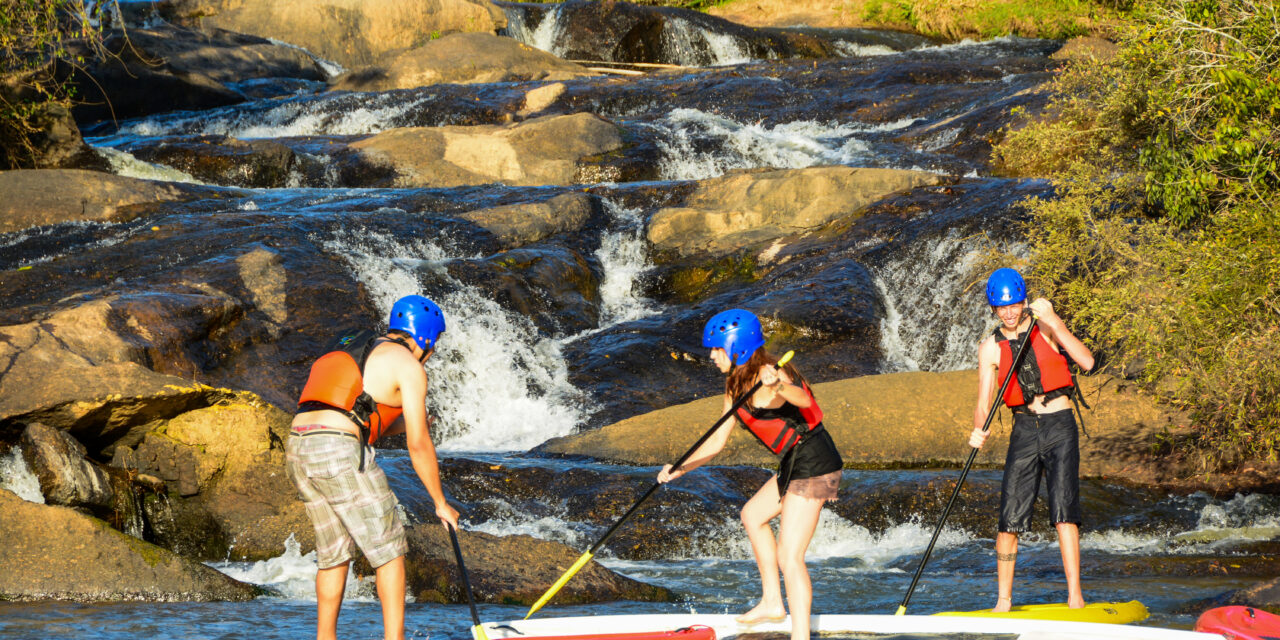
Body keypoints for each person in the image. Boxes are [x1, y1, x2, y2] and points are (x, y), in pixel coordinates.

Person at [657, 309, 843, 640]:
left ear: (737, 346)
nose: (712, 356)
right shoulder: (735, 384)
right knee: (752, 515)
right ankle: (773, 602)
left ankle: (801, 636)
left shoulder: (773, 376)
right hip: (793, 461)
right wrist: (679, 469)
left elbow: (804, 398)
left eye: (717, 349)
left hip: (815, 462)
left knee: (790, 556)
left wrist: (780, 386)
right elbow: (715, 442)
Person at [286, 295, 460, 640]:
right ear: (424, 337)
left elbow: (358, 414)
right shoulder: (409, 366)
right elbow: (418, 444)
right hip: (337, 447)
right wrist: (440, 502)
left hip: (299, 445)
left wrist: (415, 421)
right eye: (435, 342)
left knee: (333, 554)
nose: (434, 351)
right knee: (390, 552)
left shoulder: (359, 346)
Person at [968, 268, 1094, 612]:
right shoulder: (989, 348)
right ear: (993, 309)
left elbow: (1087, 361)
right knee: (1009, 518)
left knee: (1064, 512)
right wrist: (979, 428)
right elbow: (983, 403)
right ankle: (1003, 601)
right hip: (1024, 429)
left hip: (1059, 425)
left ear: (1024, 301)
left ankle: (1075, 597)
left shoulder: (1046, 326)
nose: (1009, 313)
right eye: (1001, 308)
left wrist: (1056, 321)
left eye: (1014, 305)